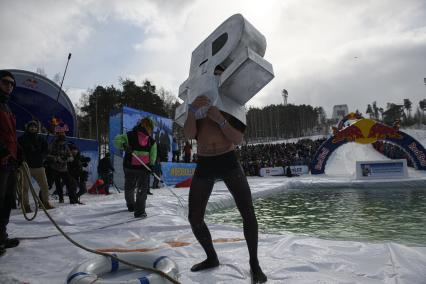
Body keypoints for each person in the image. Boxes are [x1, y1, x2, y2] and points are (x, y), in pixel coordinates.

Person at [184, 94, 267, 283]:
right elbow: (188, 135)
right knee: (194, 217)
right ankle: (212, 257)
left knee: (248, 212)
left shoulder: (230, 102)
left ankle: (254, 264)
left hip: (227, 159)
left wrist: (220, 119)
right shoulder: (196, 102)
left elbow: (238, 139)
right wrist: (191, 111)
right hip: (204, 161)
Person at [113, 118, 157, 218]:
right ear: (145, 126)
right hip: (130, 166)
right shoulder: (130, 135)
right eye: (150, 128)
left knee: (141, 189)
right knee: (130, 188)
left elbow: (153, 154)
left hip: (143, 168)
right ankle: (131, 205)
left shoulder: (151, 141)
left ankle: (139, 210)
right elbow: (117, 140)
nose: (151, 130)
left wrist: (152, 165)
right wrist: (124, 145)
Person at [0, 70, 20, 256]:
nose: (9, 86)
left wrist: (17, 153)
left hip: (9, 162)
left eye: (12, 84)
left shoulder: (7, 106)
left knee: (6, 201)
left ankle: (1, 236)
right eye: (6, 82)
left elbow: (11, 136)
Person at [18, 120, 55, 211]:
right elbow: (18, 152)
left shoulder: (41, 139)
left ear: (37, 128)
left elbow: (46, 150)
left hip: (39, 166)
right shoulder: (21, 139)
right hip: (26, 167)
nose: (33, 128)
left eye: (34, 127)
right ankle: (26, 206)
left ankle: (45, 203)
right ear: (27, 128)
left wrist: (41, 156)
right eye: (31, 127)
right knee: (24, 188)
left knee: (45, 186)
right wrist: (23, 159)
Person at [47, 130, 80, 204]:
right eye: (61, 140)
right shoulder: (52, 144)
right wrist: (56, 158)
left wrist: (66, 159)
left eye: (63, 140)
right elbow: (47, 155)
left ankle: (73, 200)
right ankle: (60, 199)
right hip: (54, 168)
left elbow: (71, 157)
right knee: (54, 184)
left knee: (70, 183)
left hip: (64, 169)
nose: (62, 142)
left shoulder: (65, 145)